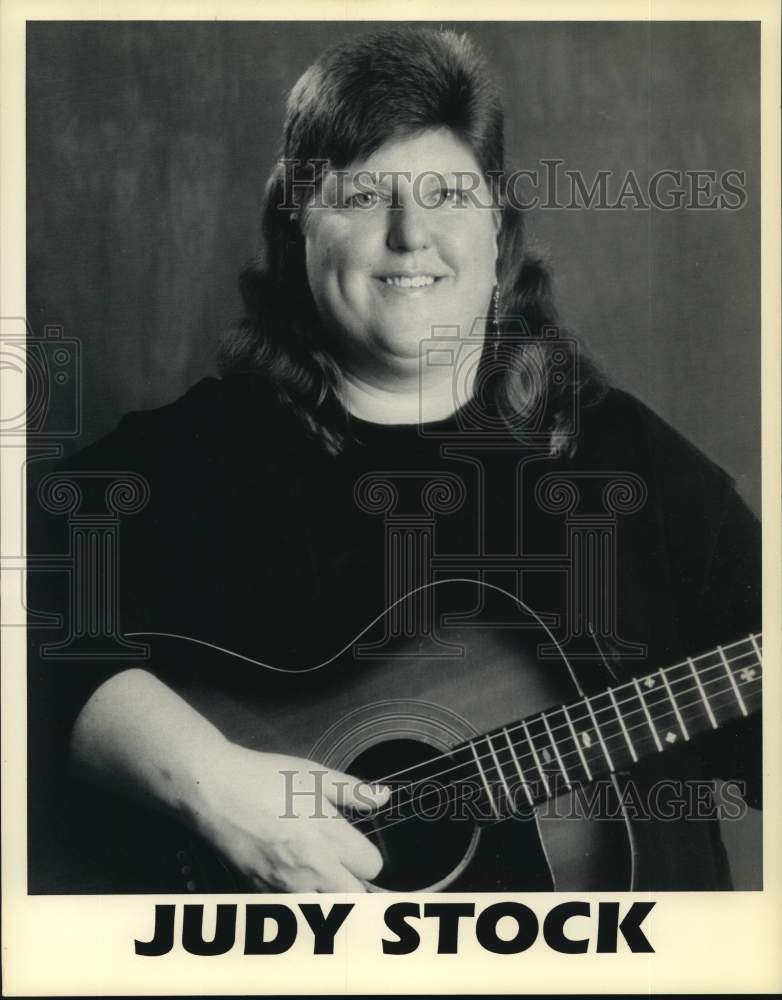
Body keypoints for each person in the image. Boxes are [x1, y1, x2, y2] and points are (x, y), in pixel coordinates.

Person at [28, 27, 761, 894]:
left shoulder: (634, 470)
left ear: (500, 232)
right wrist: (210, 785)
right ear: (296, 229)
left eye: (449, 192)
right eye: (363, 194)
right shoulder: (191, 458)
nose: (411, 234)